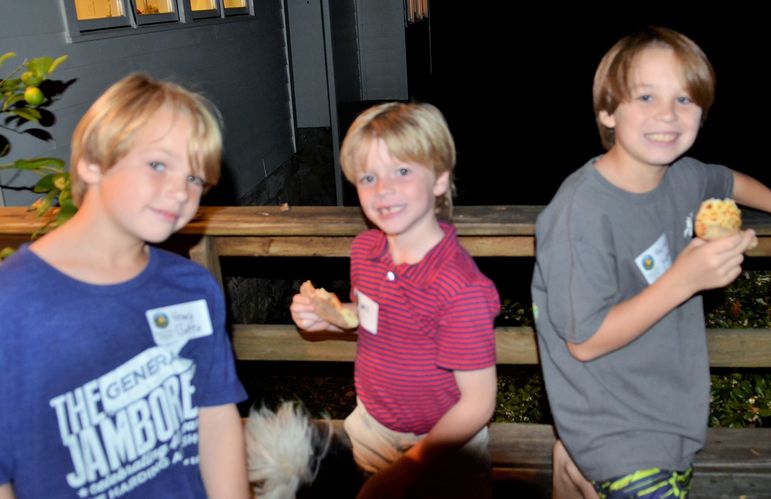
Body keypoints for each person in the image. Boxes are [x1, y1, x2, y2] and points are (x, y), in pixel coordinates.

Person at [531, 26, 771, 498]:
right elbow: (585, 341)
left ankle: (571, 469)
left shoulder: (682, 177)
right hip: (615, 428)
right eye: (645, 96)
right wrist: (684, 279)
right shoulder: (582, 213)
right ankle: (578, 461)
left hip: (669, 418)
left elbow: (726, 180)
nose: (667, 114)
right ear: (608, 111)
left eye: (685, 99)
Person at [0, 73, 249, 499]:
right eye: (158, 165)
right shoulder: (12, 304)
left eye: (195, 179)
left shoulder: (192, 288)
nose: (180, 192)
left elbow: (215, 418)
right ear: (92, 162)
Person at [290, 102, 500, 498]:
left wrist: (408, 469)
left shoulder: (460, 287)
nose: (382, 189)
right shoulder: (364, 251)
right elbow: (372, 317)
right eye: (368, 177)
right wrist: (332, 315)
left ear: (439, 178)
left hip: (447, 446)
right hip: (373, 429)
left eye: (402, 171)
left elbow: (478, 404)